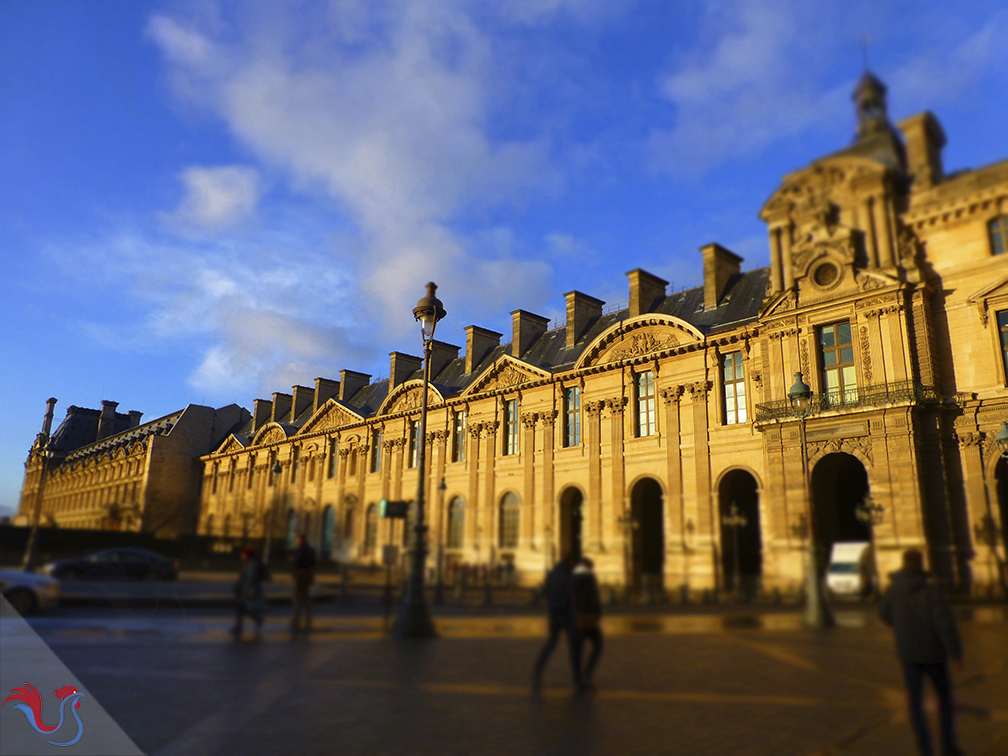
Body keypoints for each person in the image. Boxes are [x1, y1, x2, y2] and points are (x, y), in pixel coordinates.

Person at [878, 549, 964, 756]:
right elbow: (945, 625)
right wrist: (956, 653)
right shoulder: (931, 591)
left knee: (915, 704)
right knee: (945, 699)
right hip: (934, 654)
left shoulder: (892, 590)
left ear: (904, 563)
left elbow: (883, 613)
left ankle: (925, 749)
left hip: (908, 654)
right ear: (921, 564)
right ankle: (947, 745)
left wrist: (899, 625)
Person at [532, 554, 579, 694]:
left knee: (551, 643)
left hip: (554, 613)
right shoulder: (570, 574)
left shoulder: (551, 574)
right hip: (567, 614)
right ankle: (577, 678)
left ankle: (537, 670)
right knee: (574, 646)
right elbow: (573, 594)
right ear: (570, 563)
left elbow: (545, 593)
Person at [570, 557, 603, 691]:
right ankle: (587, 674)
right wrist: (598, 614)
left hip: (574, 619)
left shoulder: (571, 578)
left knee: (577, 650)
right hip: (588, 618)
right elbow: (593, 598)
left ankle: (577, 679)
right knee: (598, 645)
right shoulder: (589, 578)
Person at [231, 547, 266, 639]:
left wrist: (244, 589)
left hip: (249, 590)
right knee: (241, 608)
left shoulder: (252, 565)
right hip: (246, 590)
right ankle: (240, 626)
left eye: (243, 554)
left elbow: (250, 578)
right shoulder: (248, 564)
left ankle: (257, 620)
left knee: (246, 608)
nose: (241, 556)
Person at [290, 534, 317, 632]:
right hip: (308, 576)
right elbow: (314, 563)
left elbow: (296, 562)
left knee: (298, 598)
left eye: (297, 540)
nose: (297, 542)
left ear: (301, 540)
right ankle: (308, 619)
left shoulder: (301, 550)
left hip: (301, 576)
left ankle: (296, 619)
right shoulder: (311, 550)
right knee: (306, 598)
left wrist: (292, 561)